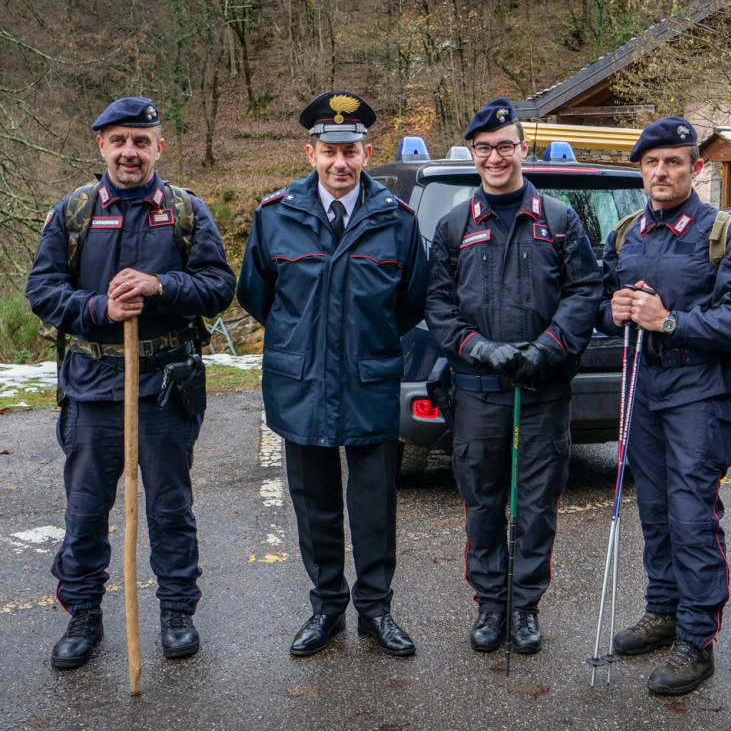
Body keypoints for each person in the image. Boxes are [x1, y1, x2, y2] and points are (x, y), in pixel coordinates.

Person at [25, 97, 236, 669]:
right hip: (93, 387)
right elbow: (42, 292)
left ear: (158, 148)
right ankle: (83, 616)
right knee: (86, 510)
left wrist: (162, 285)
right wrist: (99, 309)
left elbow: (219, 286)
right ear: (101, 146)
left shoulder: (187, 211)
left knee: (170, 507)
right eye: (118, 141)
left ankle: (176, 612)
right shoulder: (74, 212)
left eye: (141, 141)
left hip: (166, 386)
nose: (129, 152)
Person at [238, 91, 427, 658]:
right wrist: (304, 342)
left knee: (374, 507)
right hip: (301, 386)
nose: (339, 163)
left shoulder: (397, 221)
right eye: (328, 151)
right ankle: (325, 608)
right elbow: (257, 294)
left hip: (368, 384)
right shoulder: (275, 216)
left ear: (366, 153)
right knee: (314, 504)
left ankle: (376, 611)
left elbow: (410, 301)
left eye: (350, 151)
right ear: (310, 153)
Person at [597, 117, 731, 696]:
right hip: (643, 387)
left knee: (693, 515)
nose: (661, 172)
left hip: (699, 390)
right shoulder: (626, 233)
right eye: (651, 163)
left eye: (673, 162)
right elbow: (600, 302)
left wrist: (671, 321)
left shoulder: (723, 233)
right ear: (640, 170)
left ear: (695, 168)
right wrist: (615, 310)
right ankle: (662, 610)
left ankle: (698, 639)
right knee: (655, 510)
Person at [424, 98, 601, 655]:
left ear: (522, 150)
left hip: (542, 391)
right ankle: (490, 604)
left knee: (535, 505)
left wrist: (549, 346)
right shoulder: (455, 226)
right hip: (479, 393)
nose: (495, 157)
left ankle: (525, 607)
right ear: (474, 154)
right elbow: (438, 308)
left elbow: (585, 291)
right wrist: (478, 348)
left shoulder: (560, 219)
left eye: (505, 146)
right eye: (484, 149)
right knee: (482, 502)